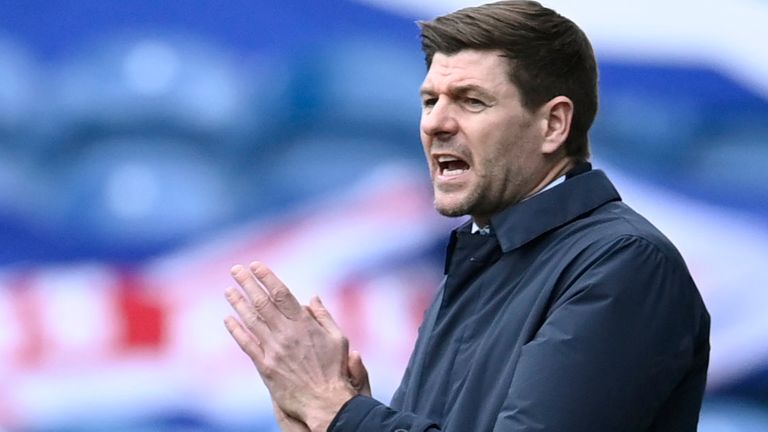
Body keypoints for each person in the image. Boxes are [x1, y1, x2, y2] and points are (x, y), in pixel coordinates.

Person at [223, 1, 711, 431]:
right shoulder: (480, 254)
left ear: (553, 125)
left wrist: (341, 413)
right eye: (430, 100)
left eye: (472, 101)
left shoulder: (624, 264)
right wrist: (329, 415)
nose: (435, 122)